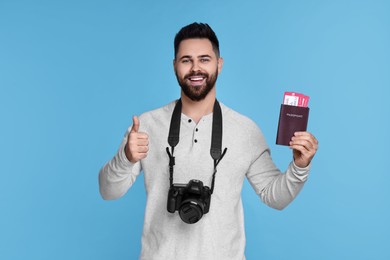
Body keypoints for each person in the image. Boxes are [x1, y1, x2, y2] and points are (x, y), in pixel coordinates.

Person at [99, 22, 318, 260]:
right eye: (186, 60)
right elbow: (108, 191)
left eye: (204, 59)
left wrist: (299, 167)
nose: (195, 68)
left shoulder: (245, 130)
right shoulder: (146, 125)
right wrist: (125, 158)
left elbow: (275, 198)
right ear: (174, 66)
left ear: (219, 64)